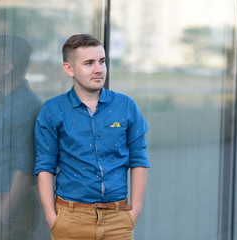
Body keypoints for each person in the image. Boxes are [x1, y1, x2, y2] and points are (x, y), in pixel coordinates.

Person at [34, 34, 150, 240]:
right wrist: (52, 218)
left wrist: (135, 211)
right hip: (70, 219)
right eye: (89, 63)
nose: (99, 69)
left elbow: (139, 158)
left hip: (118, 219)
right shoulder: (53, 110)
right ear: (69, 69)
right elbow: (45, 165)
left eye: (102, 61)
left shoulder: (125, 105)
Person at [0, 35, 42, 240]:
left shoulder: (27, 107)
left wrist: (4, 214)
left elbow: (25, 167)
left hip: (7, 205)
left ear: (7, 67)